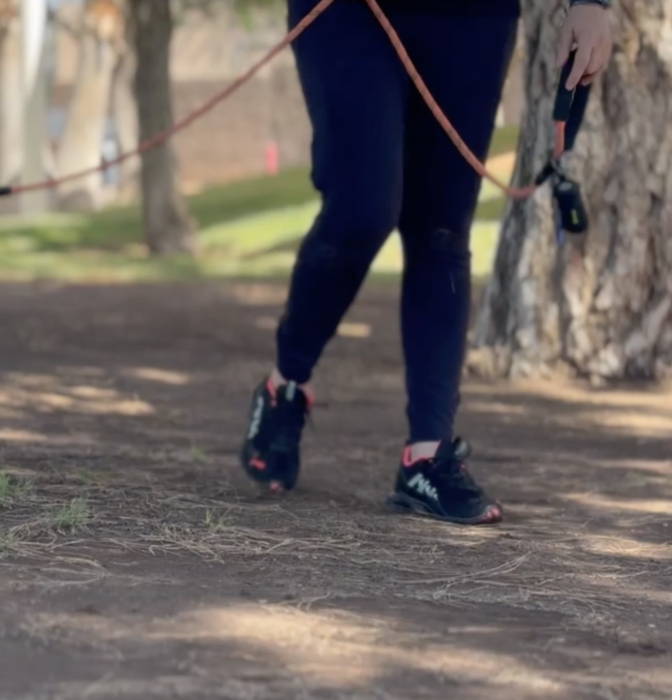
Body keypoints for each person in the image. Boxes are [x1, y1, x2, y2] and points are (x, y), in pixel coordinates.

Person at [240, 0, 614, 524]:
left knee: (441, 228)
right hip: (350, 14)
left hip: (473, 19)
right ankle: (285, 387)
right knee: (362, 208)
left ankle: (426, 458)